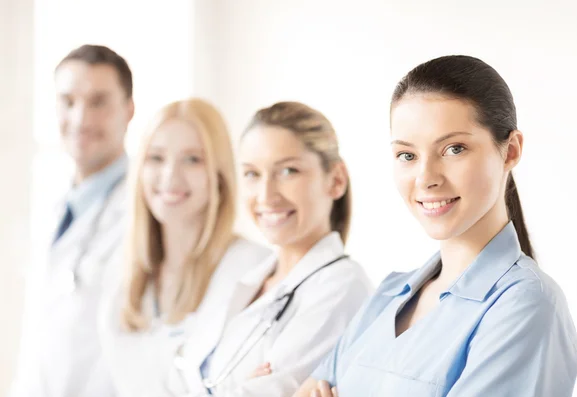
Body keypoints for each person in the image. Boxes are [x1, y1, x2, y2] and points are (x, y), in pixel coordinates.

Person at [295, 55, 577, 397]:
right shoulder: (389, 294)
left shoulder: (526, 305)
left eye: (453, 149)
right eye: (407, 155)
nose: (426, 178)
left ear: (510, 151)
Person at [164, 101, 373, 396]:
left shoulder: (342, 288)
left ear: (336, 180)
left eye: (288, 171)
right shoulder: (250, 276)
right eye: (252, 174)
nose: (266, 195)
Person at [98, 98, 271, 397]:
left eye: (192, 159)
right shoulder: (122, 279)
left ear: (219, 175)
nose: (170, 176)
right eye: (156, 158)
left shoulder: (254, 270)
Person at [10, 44, 135, 397]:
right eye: (68, 101)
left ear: (128, 110)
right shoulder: (54, 207)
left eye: (98, 102)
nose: (80, 119)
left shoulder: (146, 213)